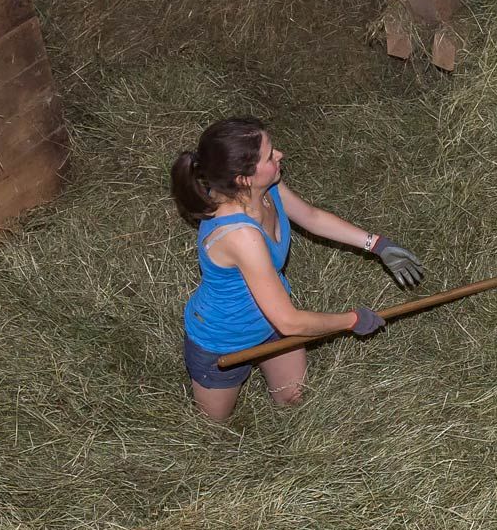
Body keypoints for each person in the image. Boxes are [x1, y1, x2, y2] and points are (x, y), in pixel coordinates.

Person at [171, 117, 426, 420]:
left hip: (272, 327)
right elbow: (290, 323)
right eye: (270, 155)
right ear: (243, 179)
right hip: (224, 342)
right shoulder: (239, 235)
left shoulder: (263, 188)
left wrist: (377, 244)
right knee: (212, 429)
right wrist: (352, 320)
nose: (280, 155)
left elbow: (311, 217)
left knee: (294, 404)